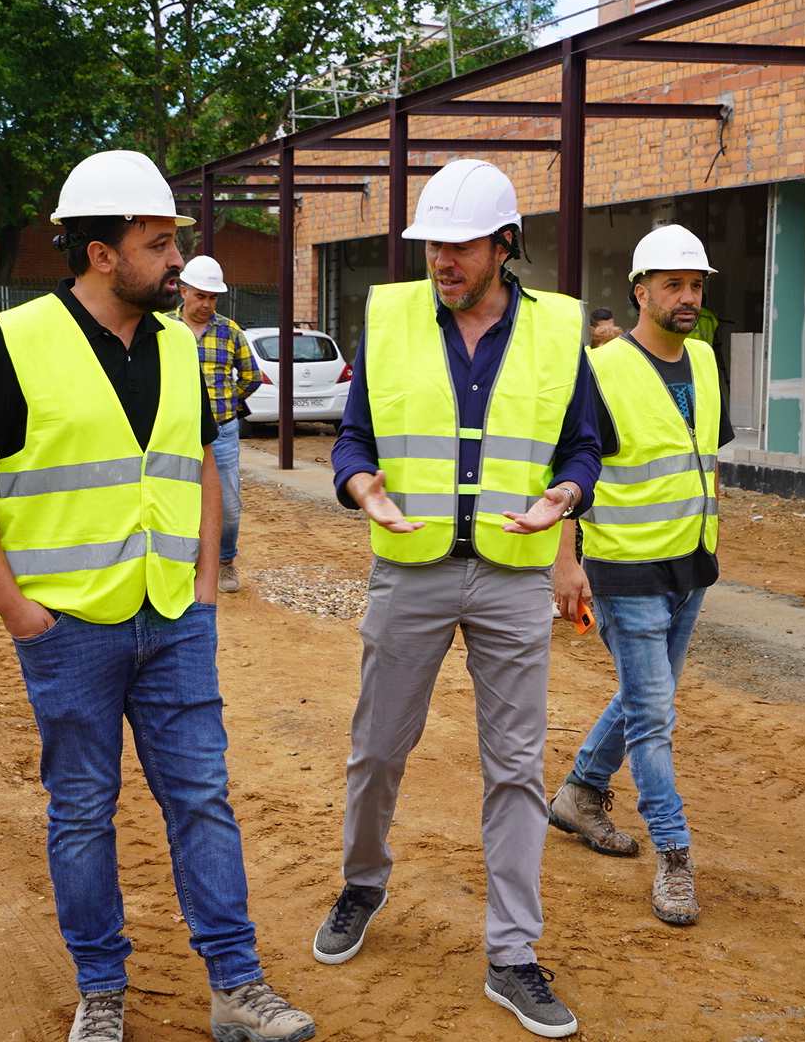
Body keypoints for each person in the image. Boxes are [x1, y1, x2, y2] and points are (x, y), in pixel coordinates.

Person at [0, 150, 315, 1042]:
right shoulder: (18, 341)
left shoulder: (179, 345)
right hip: (68, 629)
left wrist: (206, 584)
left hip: (175, 620)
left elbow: (202, 464)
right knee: (81, 813)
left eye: (173, 240)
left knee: (203, 800)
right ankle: (101, 992)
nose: (177, 259)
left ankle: (237, 986)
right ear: (101, 255)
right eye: (158, 243)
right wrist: (20, 613)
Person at [321, 158, 599, 1038]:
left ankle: (513, 953)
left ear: (504, 245)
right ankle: (362, 883)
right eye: (433, 245)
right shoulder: (390, 317)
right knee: (377, 748)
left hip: (514, 576)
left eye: (461, 246)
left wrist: (565, 498)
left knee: (515, 768)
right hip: (412, 567)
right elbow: (354, 438)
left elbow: (584, 447)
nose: (442, 261)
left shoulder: (558, 329)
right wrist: (362, 487)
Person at [548, 225, 731, 926]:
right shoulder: (600, 371)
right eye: (673, 285)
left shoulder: (705, 359)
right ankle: (675, 857)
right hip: (625, 570)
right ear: (640, 291)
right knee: (654, 715)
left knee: (646, 698)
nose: (688, 297)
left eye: (696, 285)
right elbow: (571, 470)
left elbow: (706, 459)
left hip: (691, 563)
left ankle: (579, 793)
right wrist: (567, 561)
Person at [165, 254, 263, 594]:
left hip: (221, 432)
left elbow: (251, 377)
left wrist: (226, 403)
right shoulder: (163, 327)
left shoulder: (229, 331)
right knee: (175, 498)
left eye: (213, 297)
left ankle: (224, 562)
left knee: (228, 504)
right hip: (174, 432)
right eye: (200, 296)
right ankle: (181, 562)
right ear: (183, 291)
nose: (207, 304)